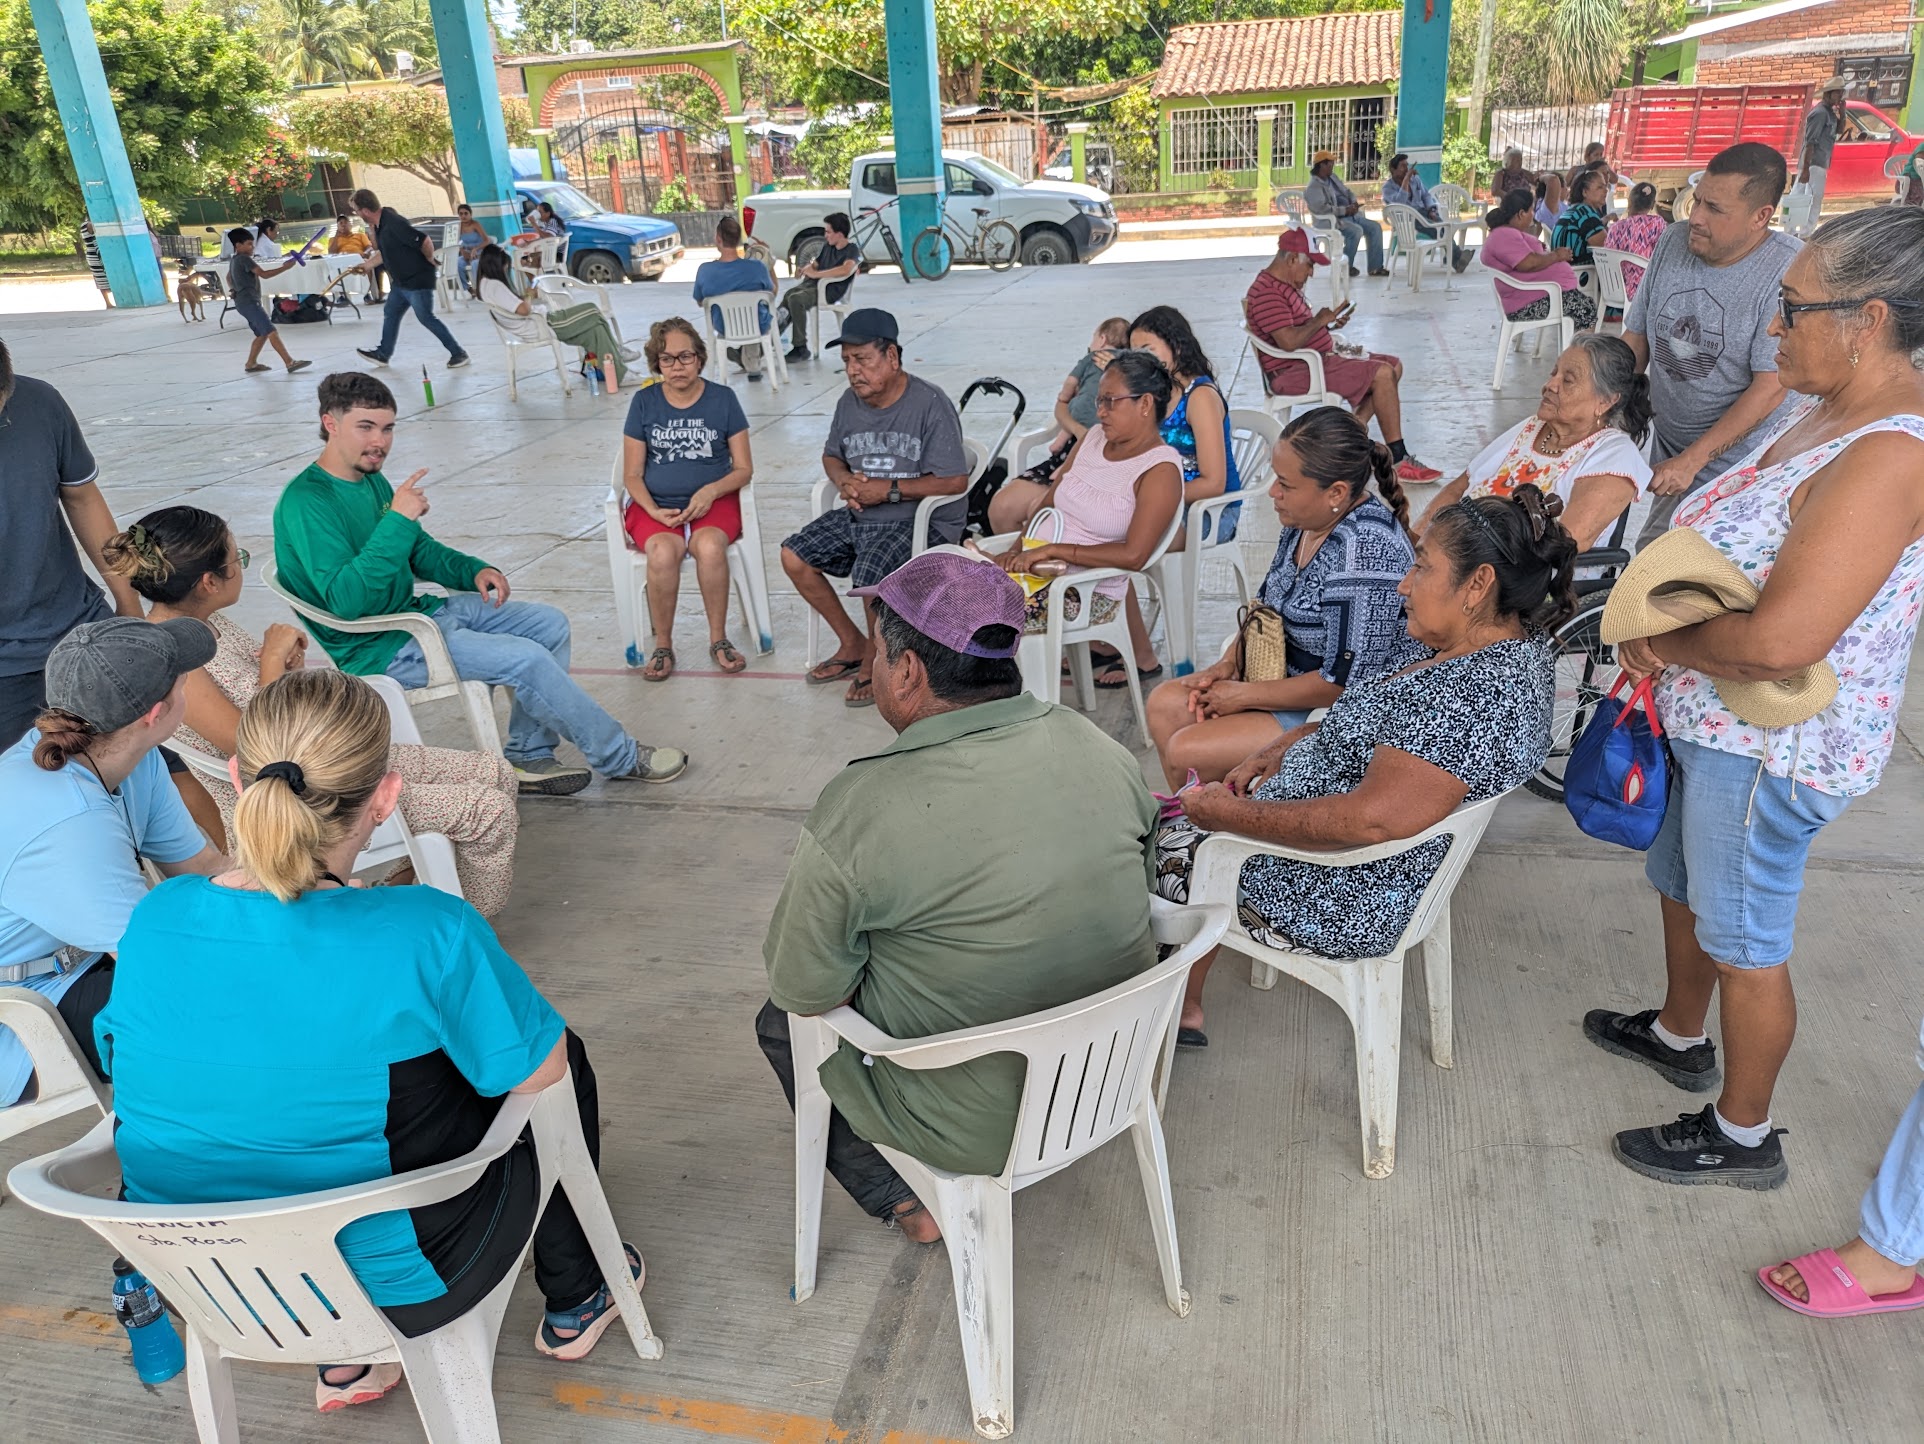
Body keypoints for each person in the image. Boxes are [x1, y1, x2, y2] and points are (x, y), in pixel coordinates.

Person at [99, 669, 643, 1414]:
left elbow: (124, 1064)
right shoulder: (424, 928)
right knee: (551, 1056)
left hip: (211, 1281)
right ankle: (578, 1294)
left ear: (235, 777)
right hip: (396, 1282)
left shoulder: (158, 918)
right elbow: (538, 1071)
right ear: (386, 798)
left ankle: (350, 1366)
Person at [1590, 205, 1924, 1192]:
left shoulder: (1888, 453)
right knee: (1683, 882)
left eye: (1788, 309)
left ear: (1865, 319)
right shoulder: (1824, 406)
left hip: (1772, 745)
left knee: (1747, 939)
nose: (1770, 331)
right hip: (1715, 720)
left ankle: (1742, 1135)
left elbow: (1784, 639)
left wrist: (1661, 639)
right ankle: (1677, 1031)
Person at [756, 549, 1160, 1243]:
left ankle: (906, 1199)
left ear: (907, 672)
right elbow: (1141, 883)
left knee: (777, 1022)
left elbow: (803, 988)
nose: (872, 669)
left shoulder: (861, 807)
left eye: (875, 654)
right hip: (1107, 1078)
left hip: (971, 1123)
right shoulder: (1097, 746)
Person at [1151, 487, 1570, 1043]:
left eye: (1421, 567)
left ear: (1477, 584)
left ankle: (1159, 1015)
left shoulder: (1467, 694)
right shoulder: (1492, 646)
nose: (1403, 583)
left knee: (1158, 841)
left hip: (1343, 887)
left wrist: (1227, 819)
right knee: (1175, 823)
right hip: (1338, 849)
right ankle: (1179, 995)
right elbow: (1376, 717)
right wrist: (1290, 741)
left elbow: (1369, 822)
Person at [273, 371, 687, 793]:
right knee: (526, 660)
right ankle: (620, 756)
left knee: (549, 623)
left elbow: (417, 551)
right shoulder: (308, 502)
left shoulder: (369, 479)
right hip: (383, 644)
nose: (379, 441)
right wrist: (398, 519)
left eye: (388, 428)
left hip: (418, 615)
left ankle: (528, 753)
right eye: (366, 427)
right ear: (330, 424)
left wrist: (471, 570)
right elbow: (347, 600)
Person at [104, 505, 521, 916]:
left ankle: (406, 890)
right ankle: (469, 923)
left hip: (323, 760)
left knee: (496, 771)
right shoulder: (171, 652)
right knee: (488, 810)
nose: (242, 567)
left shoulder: (209, 623)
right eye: (238, 559)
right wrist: (270, 661)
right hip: (300, 797)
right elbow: (255, 748)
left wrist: (285, 668)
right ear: (210, 582)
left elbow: (271, 705)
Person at [0, 617, 227, 1109]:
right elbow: (159, 962)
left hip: (74, 967)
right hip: (20, 1014)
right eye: (183, 679)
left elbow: (204, 868)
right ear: (155, 712)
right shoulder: (67, 823)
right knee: (220, 1014)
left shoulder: (131, 757)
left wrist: (301, 888)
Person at [1147, 407, 1416, 794]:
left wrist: (1242, 696)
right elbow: (1265, 606)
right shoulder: (1306, 522)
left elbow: (1342, 683)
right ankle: (1206, 818)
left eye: (1285, 485)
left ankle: (1219, 820)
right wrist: (1227, 665)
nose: (1273, 492)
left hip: (1337, 711)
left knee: (1186, 749)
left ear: (1336, 492)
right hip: (1283, 676)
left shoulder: (1364, 555)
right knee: (1165, 704)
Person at [781, 309, 970, 708]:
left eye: (862, 359)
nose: (853, 370)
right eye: (847, 361)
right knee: (794, 556)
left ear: (893, 357)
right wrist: (843, 481)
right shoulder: (849, 403)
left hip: (920, 521)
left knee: (870, 571)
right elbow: (832, 456)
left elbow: (955, 481)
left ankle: (875, 657)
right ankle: (851, 642)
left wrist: (890, 491)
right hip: (864, 514)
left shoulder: (929, 403)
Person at [1623, 142, 1800, 548]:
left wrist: (1693, 460)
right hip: (1674, 445)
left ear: (1761, 217)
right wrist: (1606, 409)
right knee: (1651, 553)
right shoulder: (1672, 241)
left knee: (1682, 575)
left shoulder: (1786, 271)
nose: (1696, 218)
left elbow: (1771, 386)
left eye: (1715, 209)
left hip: (1744, 462)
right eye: (1697, 201)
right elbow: (1637, 338)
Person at [989, 350, 1182, 680]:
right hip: (1043, 574)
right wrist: (1016, 551)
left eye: (1110, 401)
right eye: (1098, 401)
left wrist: (1053, 550)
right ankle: (983, 697)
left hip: (1088, 593)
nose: (1101, 412)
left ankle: (1007, 700)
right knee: (952, 587)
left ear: (1145, 404)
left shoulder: (1159, 469)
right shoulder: (1093, 438)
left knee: (985, 612)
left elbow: (1135, 556)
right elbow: (1049, 503)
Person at [0, 339, 146, 749]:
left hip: (81, 631)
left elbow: (82, 498)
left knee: (143, 766)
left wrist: (128, 601)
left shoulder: (39, 402)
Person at [1417, 335, 1652, 551]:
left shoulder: (1614, 455)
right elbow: (1459, 487)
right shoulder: (1532, 428)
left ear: (1605, 401)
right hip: (1462, 555)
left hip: (1524, 581)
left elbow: (1564, 542)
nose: (1550, 385)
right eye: (1553, 372)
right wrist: (1416, 542)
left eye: (1568, 380)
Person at [1244, 231, 1444, 483]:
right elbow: (1288, 342)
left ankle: (1346, 439)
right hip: (1295, 371)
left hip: (1315, 359)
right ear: (1293, 258)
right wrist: (1319, 321)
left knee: (1393, 366)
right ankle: (1398, 458)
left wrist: (1329, 326)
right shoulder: (1267, 293)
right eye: (1310, 264)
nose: (1311, 272)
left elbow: (1296, 330)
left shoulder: (1285, 286)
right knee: (1382, 373)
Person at [620, 318, 753, 681]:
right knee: (662, 552)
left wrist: (711, 491)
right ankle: (663, 643)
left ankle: (718, 638)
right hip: (656, 503)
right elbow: (631, 474)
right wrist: (652, 511)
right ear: (656, 364)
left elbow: (744, 469)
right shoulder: (644, 402)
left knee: (709, 546)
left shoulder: (723, 399)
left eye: (685, 357)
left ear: (699, 359)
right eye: (667, 359)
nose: (677, 366)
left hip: (715, 502)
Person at [985, 316, 1133, 531]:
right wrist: (1078, 430)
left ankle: (1032, 558)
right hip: (1074, 444)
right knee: (1001, 506)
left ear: (1101, 339)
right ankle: (1013, 560)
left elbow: (1067, 394)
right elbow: (1061, 405)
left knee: (1041, 513)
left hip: (1101, 461)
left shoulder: (1127, 377)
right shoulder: (1096, 364)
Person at [350, 187, 470, 371]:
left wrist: (429, 259)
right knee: (391, 312)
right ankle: (383, 354)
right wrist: (366, 266)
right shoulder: (381, 223)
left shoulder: (393, 223)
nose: (357, 215)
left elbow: (425, 241)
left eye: (357, 211)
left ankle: (458, 353)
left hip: (416, 280)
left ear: (365, 211)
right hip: (400, 282)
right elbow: (384, 252)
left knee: (426, 318)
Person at [474, 244, 631, 385]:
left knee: (595, 331)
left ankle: (616, 372)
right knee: (592, 309)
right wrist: (529, 295)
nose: (505, 271)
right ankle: (618, 353)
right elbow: (524, 310)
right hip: (542, 324)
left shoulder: (485, 284)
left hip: (539, 322)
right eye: (505, 267)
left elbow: (514, 307)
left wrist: (526, 296)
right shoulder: (495, 286)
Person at [1482, 189, 1599, 333]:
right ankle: (1582, 352)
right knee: (1586, 310)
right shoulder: (1504, 235)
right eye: (1531, 210)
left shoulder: (1507, 233)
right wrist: (1557, 256)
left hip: (1532, 296)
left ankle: (1578, 349)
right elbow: (1528, 263)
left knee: (1586, 306)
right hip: (1525, 304)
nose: (1533, 214)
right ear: (1521, 214)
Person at [692, 213, 776, 381]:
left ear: (718, 239)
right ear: (738, 239)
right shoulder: (757, 267)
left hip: (724, 326)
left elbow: (700, 301)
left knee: (747, 317)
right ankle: (752, 365)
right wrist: (770, 262)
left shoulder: (705, 271)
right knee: (763, 316)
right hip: (756, 324)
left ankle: (745, 360)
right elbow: (771, 294)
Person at [224, 228, 312, 378]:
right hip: (250, 302)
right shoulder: (245, 259)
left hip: (242, 303)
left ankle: (251, 363)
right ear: (238, 246)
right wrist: (285, 268)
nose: (252, 247)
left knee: (261, 334)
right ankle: (290, 362)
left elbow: (228, 278)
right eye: (249, 244)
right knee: (271, 331)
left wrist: (233, 289)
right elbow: (264, 274)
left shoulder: (234, 260)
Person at [779, 212, 861, 363]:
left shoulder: (851, 249)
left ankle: (800, 347)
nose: (826, 235)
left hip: (828, 291)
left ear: (840, 234)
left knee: (796, 299)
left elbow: (845, 269)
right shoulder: (827, 247)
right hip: (812, 286)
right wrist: (804, 269)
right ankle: (770, 338)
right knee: (789, 296)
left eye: (828, 232)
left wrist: (818, 275)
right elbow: (815, 264)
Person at [1381, 153, 1472, 272]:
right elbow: (1400, 203)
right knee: (1437, 230)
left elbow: (1426, 196)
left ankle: (1453, 257)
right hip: (1407, 218)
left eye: (1407, 166)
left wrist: (1431, 210)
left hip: (1423, 212)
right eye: (1402, 166)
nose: (1406, 169)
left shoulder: (1415, 180)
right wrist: (1406, 180)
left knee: (1444, 226)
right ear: (1393, 169)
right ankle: (1455, 257)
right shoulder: (1388, 188)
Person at [1305, 151, 1387, 278]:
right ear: (1322, 165)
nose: (1333, 166)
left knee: (1375, 227)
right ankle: (1344, 268)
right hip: (1331, 220)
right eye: (1330, 163)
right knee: (1356, 231)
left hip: (1349, 215)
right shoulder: (1313, 187)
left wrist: (1353, 202)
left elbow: (1347, 191)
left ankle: (1375, 267)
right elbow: (1323, 209)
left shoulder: (1332, 178)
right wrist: (1344, 210)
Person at [1793, 75, 1849, 236]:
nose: (1840, 97)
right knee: (1812, 200)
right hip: (1813, 163)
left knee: (1803, 198)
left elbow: (1839, 130)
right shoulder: (1819, 113)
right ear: (1828, 93)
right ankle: (1805, 233)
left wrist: (1843, 113)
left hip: (1819, 163)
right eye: (1838, 93)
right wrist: (1805, 168)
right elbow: (1810, 141)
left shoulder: (1829, 112)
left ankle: (1797, 232)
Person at [1603, 183, 1665, 302]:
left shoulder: (1616, 227)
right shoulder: (1657, 223)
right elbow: (1663, 256)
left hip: (1616, 289)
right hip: (1646, 291)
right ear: (1652, 205)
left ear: (1629, 202)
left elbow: (1608, 257)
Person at [1551, 166, 1610, 266]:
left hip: (1563, 269)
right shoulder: (1585, 214)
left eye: (1605, 186)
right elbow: (1607, 247)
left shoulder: (1575, 210)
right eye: (1600, 187)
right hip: (1579, 274)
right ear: (1585, 192)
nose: (1606, 190)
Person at [327, 212, 382, 301]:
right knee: (333, 268)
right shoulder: (333, 239)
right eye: (341, 223)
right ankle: (343, 295)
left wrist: (365, 253)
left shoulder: (360, 235)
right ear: (337, 226)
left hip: (358, 258)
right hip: (342, 261)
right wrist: (336, 237)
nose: (343, 225)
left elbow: (369, 248)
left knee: (366, 264)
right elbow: (331, 252)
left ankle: (366, 294)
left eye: (346, 222)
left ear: (350, 225)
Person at [455, 203, 488, 292]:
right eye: (461, 214)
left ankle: (477, 288)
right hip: (467, 254)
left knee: (475, 264)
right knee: (458, 263)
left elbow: (487, 240)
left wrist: (476, 249)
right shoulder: (458, 226)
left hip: (480, 253)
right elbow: (458, 242)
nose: (463, 216)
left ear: (470, 214)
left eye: (466, 213)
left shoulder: (475, 224)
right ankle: (467, 288)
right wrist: (462, 251)